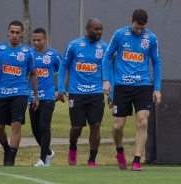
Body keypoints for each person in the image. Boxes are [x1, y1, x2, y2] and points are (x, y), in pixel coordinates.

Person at [102, 9, 161, 171]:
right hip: (121, 86)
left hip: (142, 85)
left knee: (143, 121)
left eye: (142, 28)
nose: (139, 31)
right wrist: (106, 80)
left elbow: (156, 63)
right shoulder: (120, 35)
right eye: (136, 28)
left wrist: (157, 89)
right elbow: (107, 57)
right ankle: (119, 150)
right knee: (117, 126)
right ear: (131, 21)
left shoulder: (151, 39)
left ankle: (136, 160)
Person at [0, 20, 39, 166]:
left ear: (22, 34)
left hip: (20, 93)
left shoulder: (28, 52)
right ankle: (7, 149)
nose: (14, 35)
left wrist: (36, 95)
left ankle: (10, 160)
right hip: (2, 93)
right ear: (8, 32)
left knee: (16, 124)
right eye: (12, 32)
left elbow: (33, 74)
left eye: (17, 32)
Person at [57, 18, 108, 166]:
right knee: (77, 128)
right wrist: (61, 88)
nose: (99, 32)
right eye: (96, 29)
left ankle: (92, 160)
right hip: (77, 92)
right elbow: (63, 67)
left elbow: (109, 71)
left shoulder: (104, 48)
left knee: (96, 126)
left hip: (96, 93)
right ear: (87, 29)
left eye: (101, 29)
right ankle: (72, 147)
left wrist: (111, 93)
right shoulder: (74, 45)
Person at [28, 28, 62, 166]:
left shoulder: (54, 55)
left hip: (48, 95)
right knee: (35, 129)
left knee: (44, 126)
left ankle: (43, 159)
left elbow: (64, 70)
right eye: (34, 40)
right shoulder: (29, 54)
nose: (36, 42)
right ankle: (47, 152)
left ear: (45, 39)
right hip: (31, 96)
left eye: (39, 40)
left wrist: (61, 89)